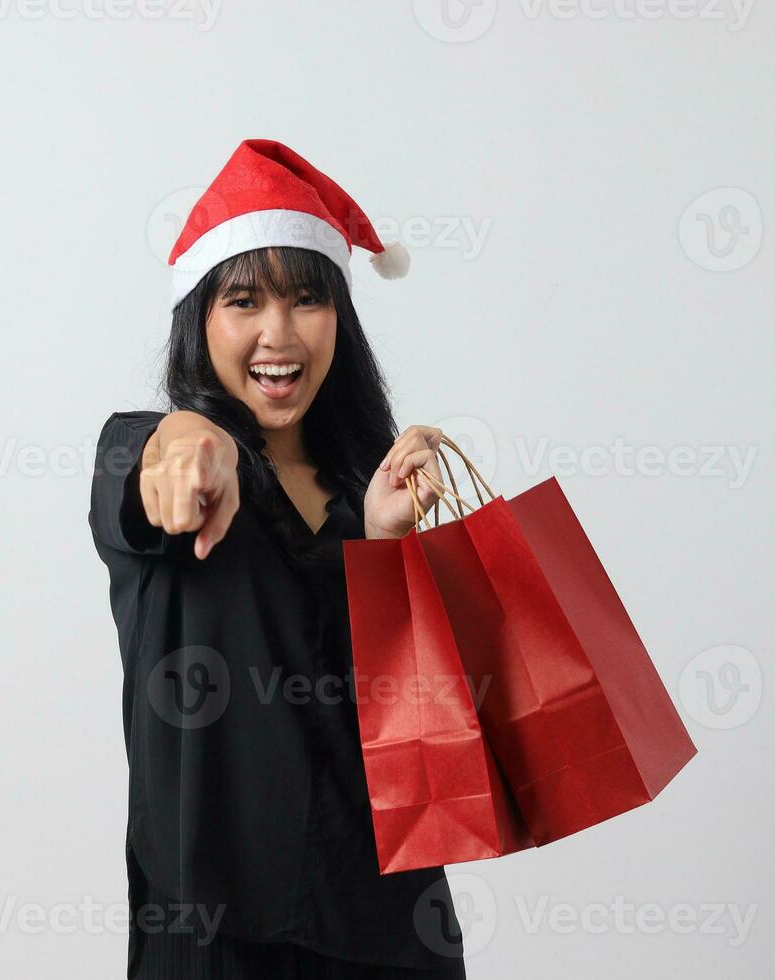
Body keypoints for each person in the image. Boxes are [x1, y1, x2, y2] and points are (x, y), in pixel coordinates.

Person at [90, 139, 468, 978]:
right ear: (201, 318)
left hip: (390, 923)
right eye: (244, 301)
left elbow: (412, 717)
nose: (279, 333)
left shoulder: (362, 487)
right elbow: (154, 458)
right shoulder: (150, 456)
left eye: (306, 299)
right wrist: (190, 442)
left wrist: (384, 546)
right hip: (221, 935)